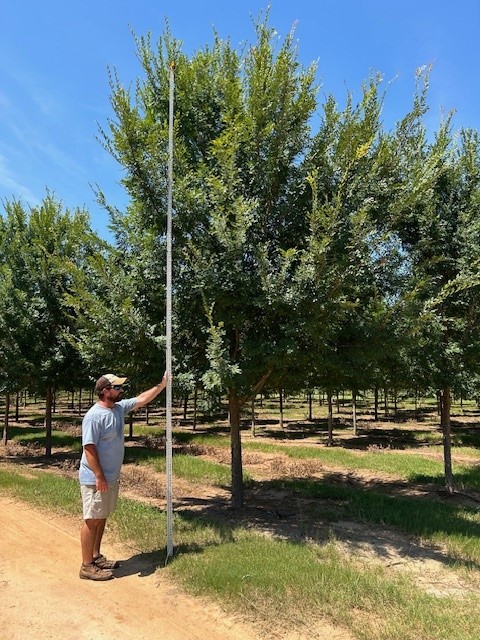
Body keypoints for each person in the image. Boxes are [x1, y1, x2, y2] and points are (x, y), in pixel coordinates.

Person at [79, 372, 169, 581]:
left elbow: (141, 399)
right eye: (117, 388)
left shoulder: (118, 409)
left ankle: (95, 556)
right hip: (95, 478)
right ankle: (86, 566)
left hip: (110, 477)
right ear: (105, 391)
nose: (121, 391)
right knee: (91, 519)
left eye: (121, 388)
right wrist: (99, 476)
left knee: (101, 518)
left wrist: (162, 384)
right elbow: (89, 449)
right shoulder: (94, 416)